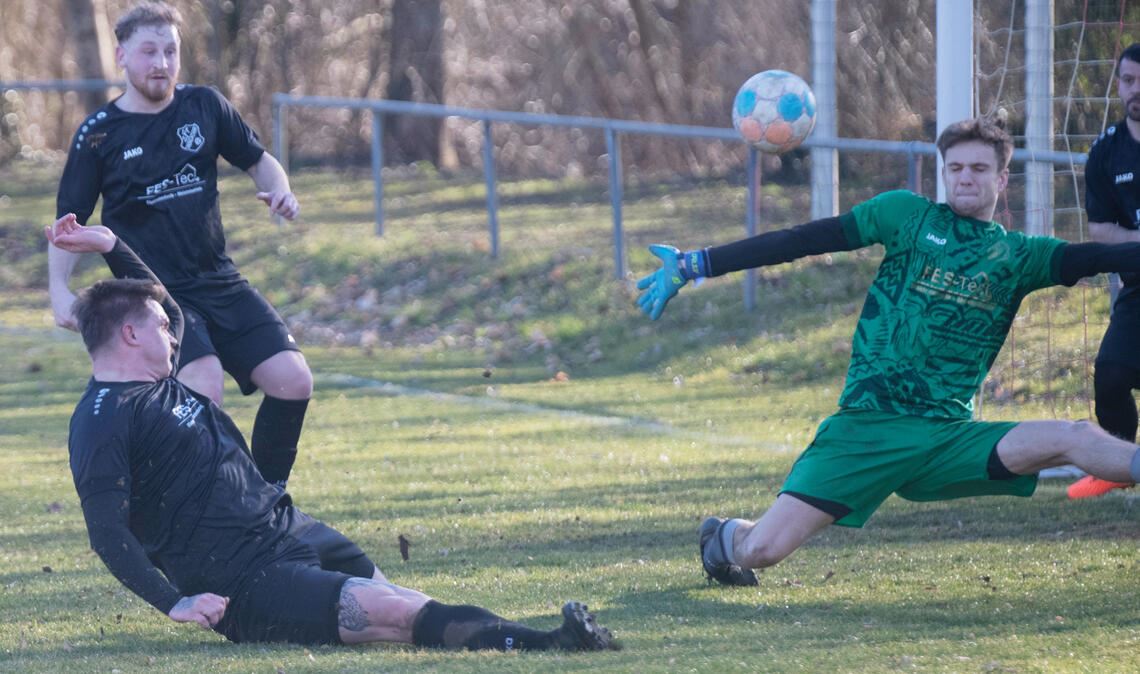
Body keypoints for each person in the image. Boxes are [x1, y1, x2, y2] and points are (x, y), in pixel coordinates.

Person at [45, 215, 617, 651]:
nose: (175, 335)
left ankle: (533, 637)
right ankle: (549, 643)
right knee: (394, 616)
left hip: (288, 527)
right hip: (246, 580)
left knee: (401, 600)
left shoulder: (159, 379)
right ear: (128, 335)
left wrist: (110, 245)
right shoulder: (102, 421)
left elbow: (164, 302)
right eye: (162, 330)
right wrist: (175, 602)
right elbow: (106, 532)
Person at [635, 116, 1140, 587]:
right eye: (956, 167)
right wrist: (697, 263)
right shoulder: (905, 216)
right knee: (762, 551)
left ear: (1002, 179)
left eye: (980, 169)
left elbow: (1102, 256)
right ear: (944, 172)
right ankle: (725, 537)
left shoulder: (1022, 256)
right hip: (867, 429)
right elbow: (801, 240)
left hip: (948, 438)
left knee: (1073, 436)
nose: (966, 178)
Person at [48, 1, 309, 488]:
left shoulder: (205, 106)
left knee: (294, 381)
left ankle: (266, 501)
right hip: (154, 297)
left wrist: (281, 189)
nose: (162, 63)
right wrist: (59, 292)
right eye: (149, 52)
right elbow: (67, 225)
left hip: (220, 280)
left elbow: (260, 160)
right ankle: (207, 507)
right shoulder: (98, 135)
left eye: (170, 51)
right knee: (203, 387)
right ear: (122, 56)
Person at [1068, 43, 1140, 500]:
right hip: (1137, 289)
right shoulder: (1105, 152)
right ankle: (1119, 465)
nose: (1137, 90)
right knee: (1111, 372)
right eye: (1129, 81)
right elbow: (1099, 230)